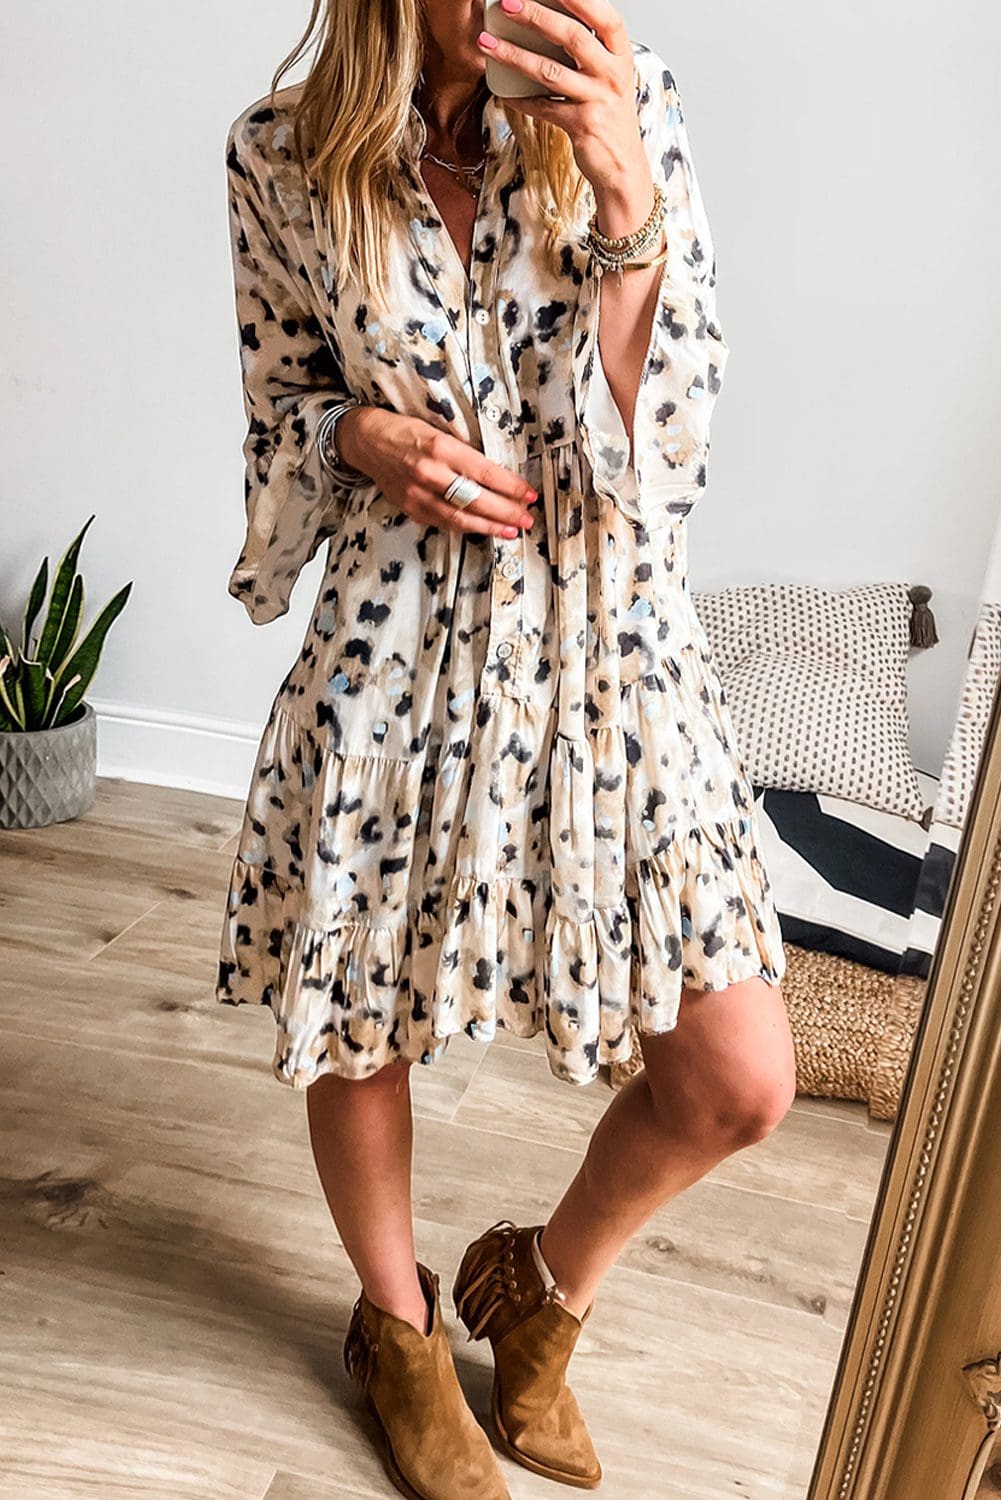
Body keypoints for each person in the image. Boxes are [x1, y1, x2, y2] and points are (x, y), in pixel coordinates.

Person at [216, 0, 795, 1494]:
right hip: (392, 638)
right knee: (359, 1004)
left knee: (737, 1076)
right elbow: (281, 411)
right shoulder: (282, 157)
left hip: (607, 648)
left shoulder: (630, 99)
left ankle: (536, 1292)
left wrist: (622, 200)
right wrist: (364, 441)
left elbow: (662, 452)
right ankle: (397, 1329)